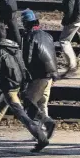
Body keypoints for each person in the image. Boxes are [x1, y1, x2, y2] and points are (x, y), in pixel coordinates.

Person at [0, 25, 49, 152]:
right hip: (16, 85)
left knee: (22, 116)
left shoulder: (0, 51)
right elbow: (23, 67)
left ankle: (42, 138)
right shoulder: (15, 48)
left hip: (9, 89)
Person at [19, 9, 57, 140]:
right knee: (43, 103)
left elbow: (26, 60)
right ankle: (42, 131)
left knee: (29, 103)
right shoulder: (48, 35)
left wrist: (24, 78)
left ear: (25, 23)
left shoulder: (29, 36)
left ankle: (46, 124)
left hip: (38, 76)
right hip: (51, 75)